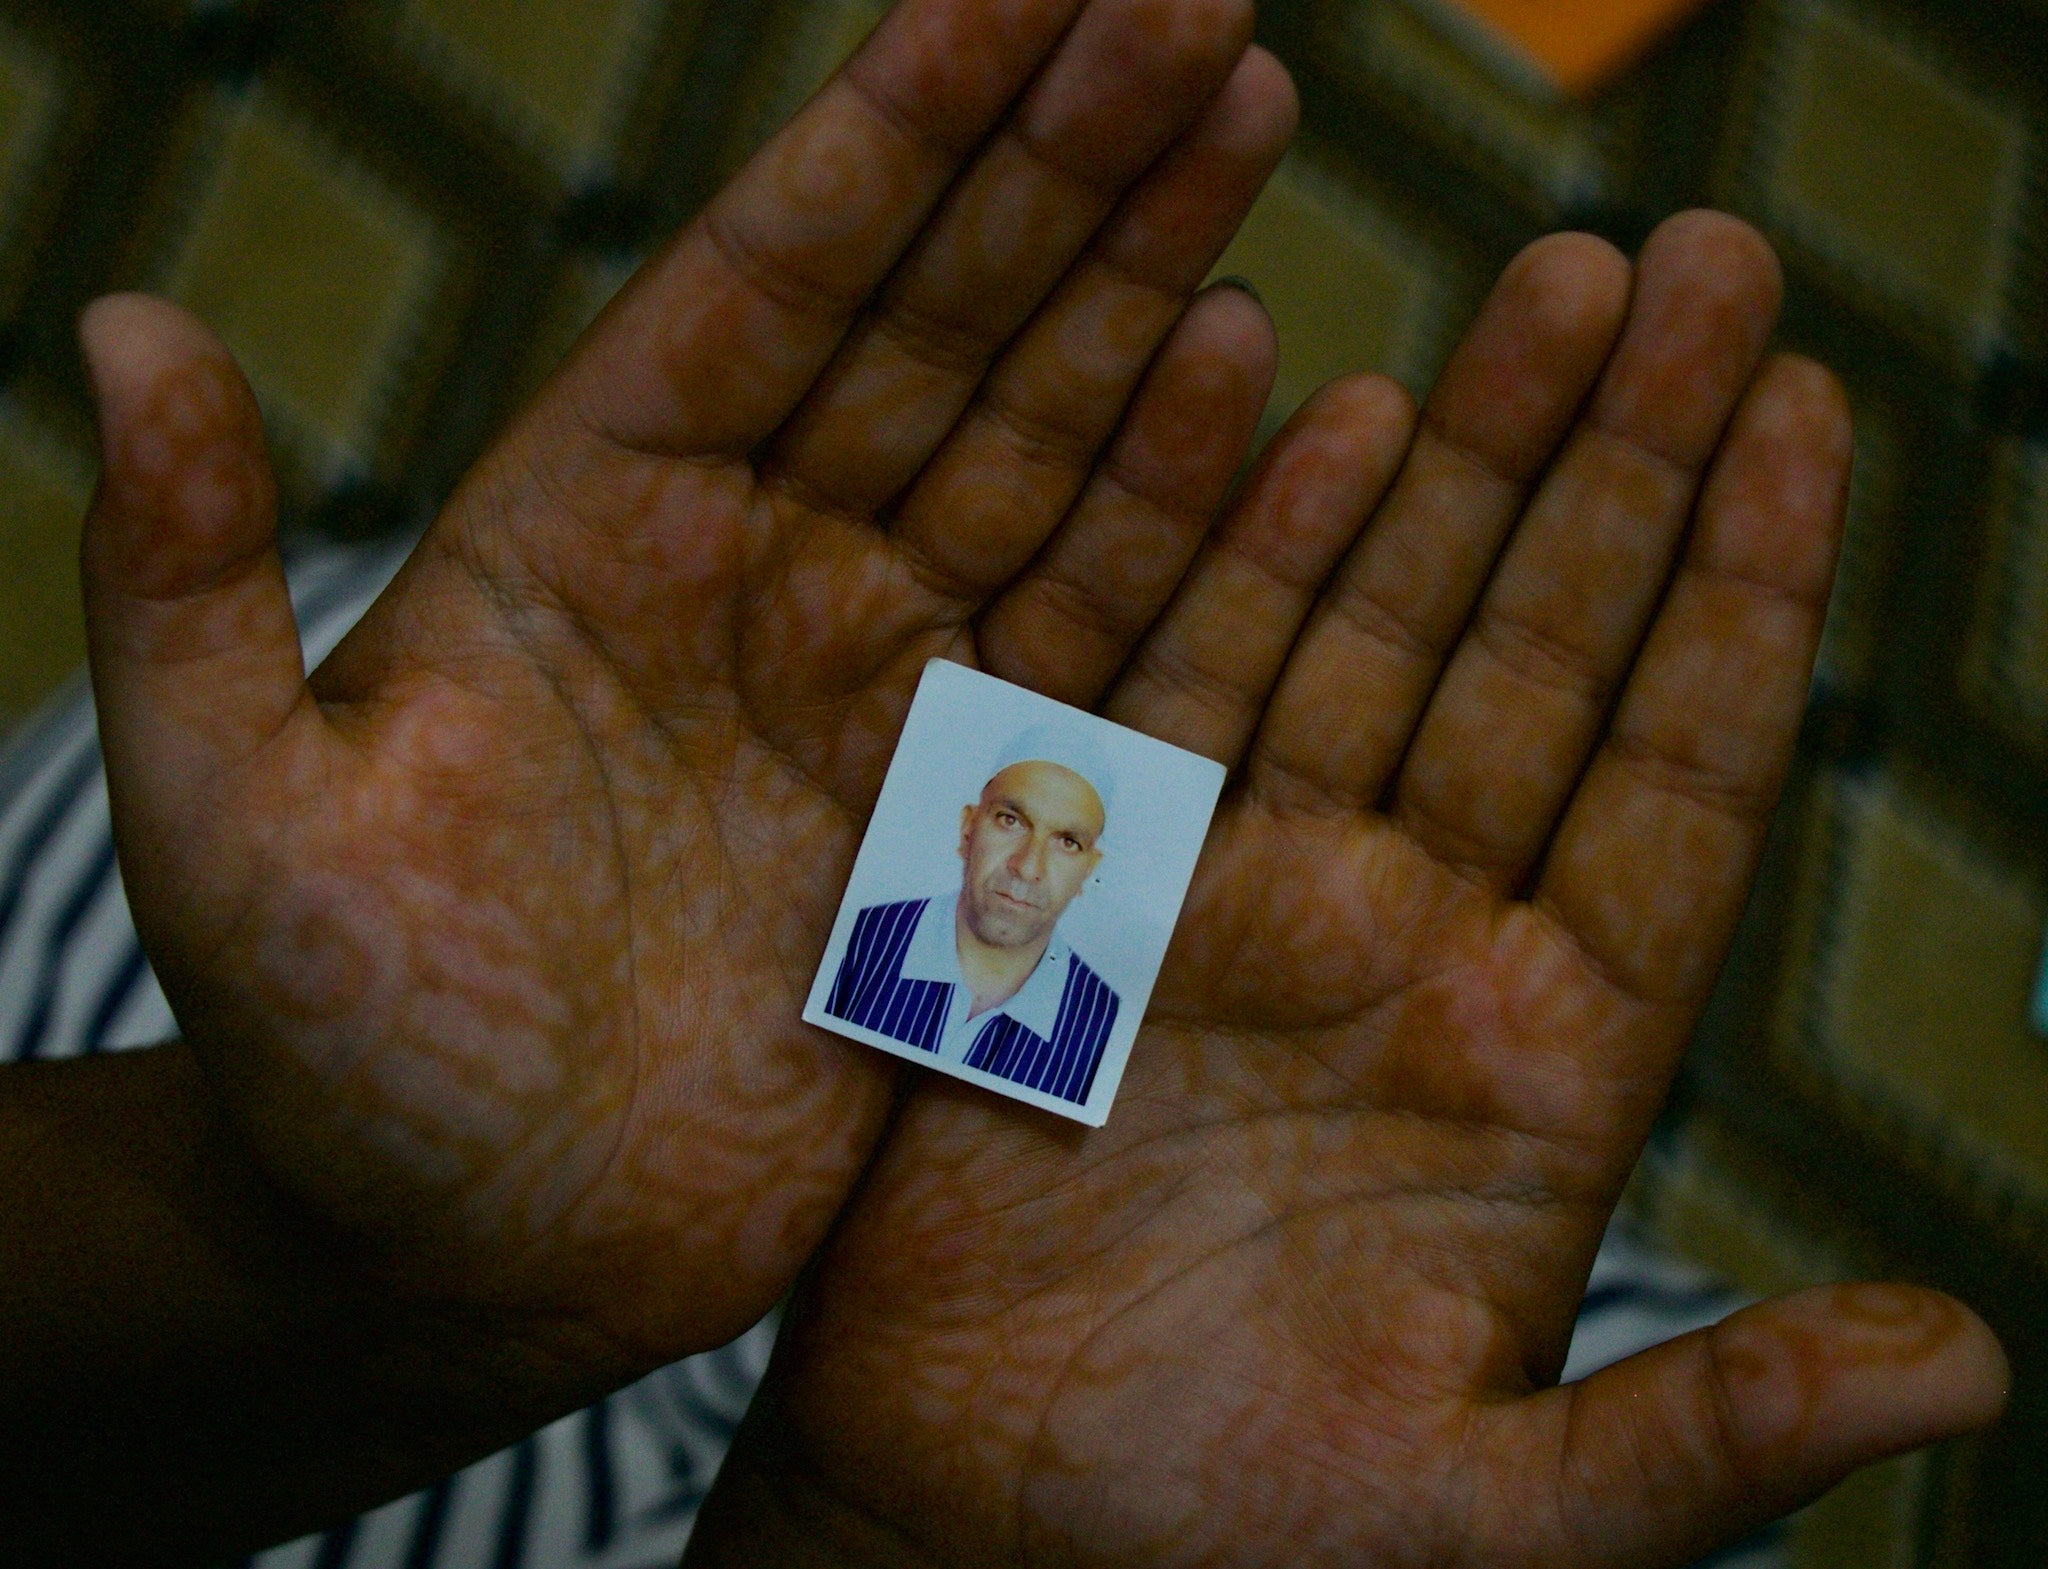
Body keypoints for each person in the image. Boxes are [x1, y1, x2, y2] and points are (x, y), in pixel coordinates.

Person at [0, 0, 2009, 1562]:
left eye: (1072, 832)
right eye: (1025, 821)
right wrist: (377, 1282)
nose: (1046, 864)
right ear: (968, 821)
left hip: (1159, 1234)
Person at [826, 743, 1119, 1105]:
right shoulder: (857, 941)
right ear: (968, 829)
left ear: (1088, 871)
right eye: (1010, 821)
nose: (1027, 867)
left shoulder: (1106, 1028)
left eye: (1068, 842)